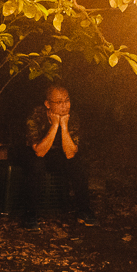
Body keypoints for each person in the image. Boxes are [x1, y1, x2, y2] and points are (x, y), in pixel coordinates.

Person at [23, 83, 97, 229]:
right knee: (36, 165)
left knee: (79, 166)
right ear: (47, 104)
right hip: (35, 154)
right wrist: (55, 125)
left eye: (67, 100)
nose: (65, 106)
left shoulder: (72, 118)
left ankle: (84, 210)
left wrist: (63, 126)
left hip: (59, 154)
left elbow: (70, 153)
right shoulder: (35, 116)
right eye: (59, 102)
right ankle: (30, 214)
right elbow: (39, 151)